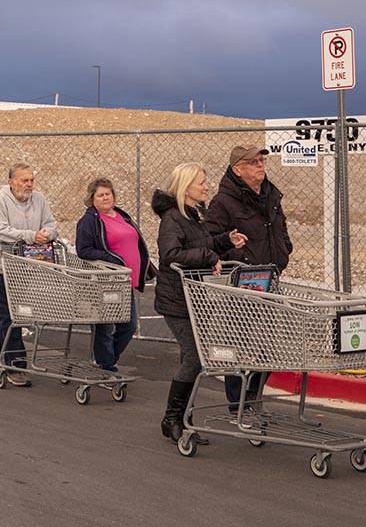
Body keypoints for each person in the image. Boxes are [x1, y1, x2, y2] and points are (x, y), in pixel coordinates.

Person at [153, 162, 247, 443]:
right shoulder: (172, 217)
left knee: (191, 358)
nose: (206, 186)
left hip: (194, 298)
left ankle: (182, 419)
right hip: (177, 300)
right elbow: (171, 254)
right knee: (194, 356)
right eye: (201, 182)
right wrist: (208, 257)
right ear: (186, 187)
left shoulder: (192, 215)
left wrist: (225, 241)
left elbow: (200, 244)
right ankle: (171, 418)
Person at [206, 144, 294, 412]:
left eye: (261, 161)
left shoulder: (271, 195)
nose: (260, 165)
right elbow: (211, 241)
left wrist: (284, 251)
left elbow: (280, 230)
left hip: (270, 281)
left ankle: (253, 398)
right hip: (241, 286)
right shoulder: (223, 203)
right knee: (240, 345)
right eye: (253, 162)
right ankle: (237, 404)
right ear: (237, 170)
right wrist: (239, 256)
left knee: (266, 348)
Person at [0, 163, 59, 387]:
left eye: (31, 180)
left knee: (8, 314)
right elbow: (0, 230)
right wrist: (31, 235)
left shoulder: (39, 200)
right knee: (11, 314)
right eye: (24, 180)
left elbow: (51, 224)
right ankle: (16, 365)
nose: (29, 184)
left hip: (24, 266)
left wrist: (46, 233)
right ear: (12, 181)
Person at [75, 178, 153, 372]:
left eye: (108, 193)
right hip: (105, 281)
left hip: (126, 281)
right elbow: (84, 250)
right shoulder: (89, 221)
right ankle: (106, 365)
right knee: (105, 327)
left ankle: (105, 360)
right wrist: (113, 259)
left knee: (129, 326)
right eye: (100, 195)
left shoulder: (121, 215)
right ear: (92, 199)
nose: (105, 197)